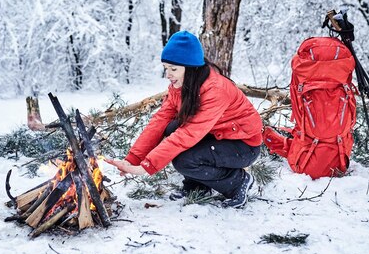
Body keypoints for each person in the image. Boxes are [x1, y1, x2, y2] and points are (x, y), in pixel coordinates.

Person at [105, 31, 263, 208]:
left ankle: (238, 182)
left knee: (184, 160)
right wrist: (133, 159)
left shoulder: (216, 89)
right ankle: (198, 185)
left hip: (242, 145)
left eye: (174, 69)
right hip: (216, 136)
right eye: (166, 68)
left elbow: (188, 133)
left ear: (191, 68)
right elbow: (160, 120)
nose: (168, 74)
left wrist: (146, 167)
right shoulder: (181, 86)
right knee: (170, 128)